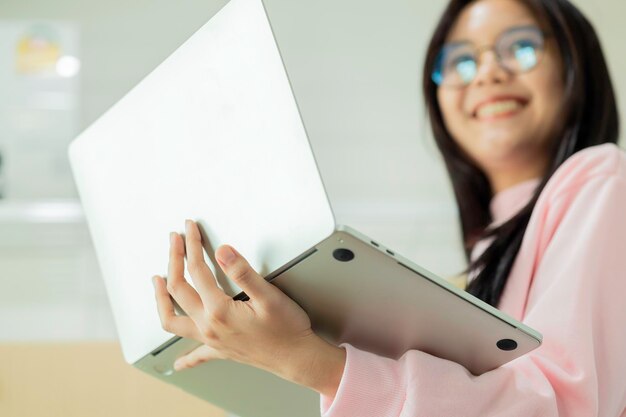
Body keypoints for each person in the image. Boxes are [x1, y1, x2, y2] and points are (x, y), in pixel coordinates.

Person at [152, 0, 626, 415]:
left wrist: (309, 362)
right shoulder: (489, 248)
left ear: (575, 65)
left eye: (520, 48)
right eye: (460, 60)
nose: (486, 73)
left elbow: (563, 407)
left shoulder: (600, 176)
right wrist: (270, 351)